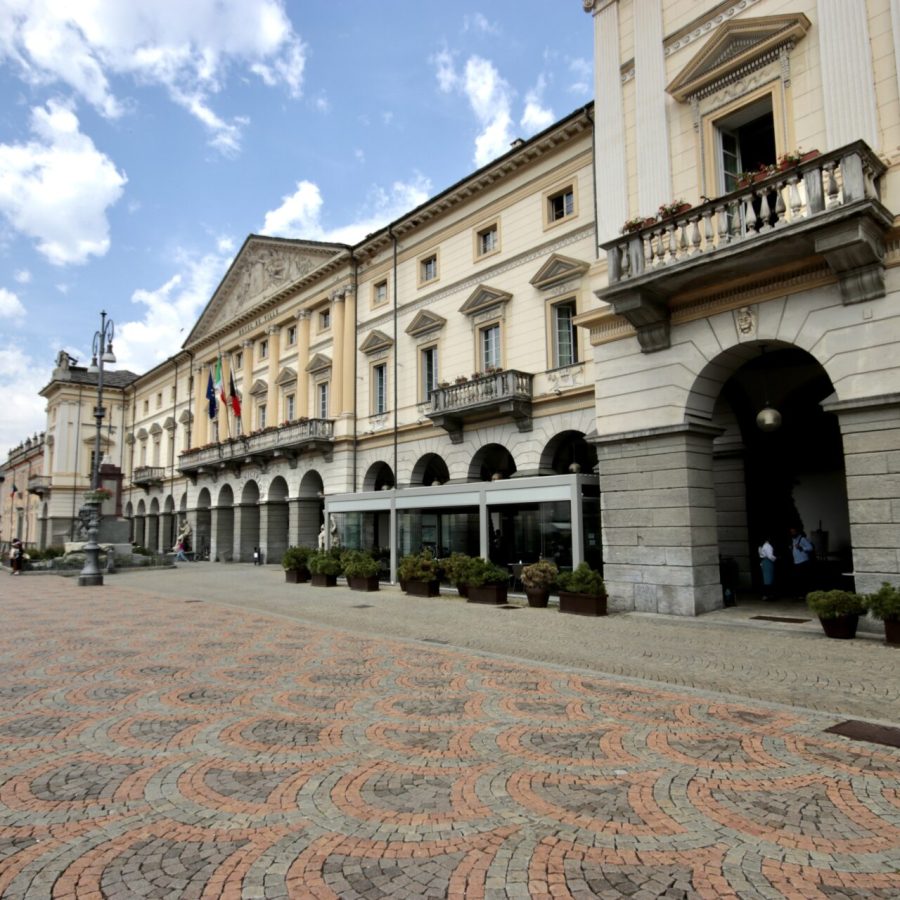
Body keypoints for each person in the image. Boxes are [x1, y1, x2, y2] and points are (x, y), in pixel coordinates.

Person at [789, 526, 815, 598]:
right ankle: (800, 594)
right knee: (798, 579)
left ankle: (806, 594)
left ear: (797, 532)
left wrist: (801, 547)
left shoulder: (802, 539)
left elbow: (810, 548)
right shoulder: (793, 540)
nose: (792, 533)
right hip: (797, 562)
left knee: (804, 579)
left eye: (793, 532)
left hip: (803, 562)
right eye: (791, 532)